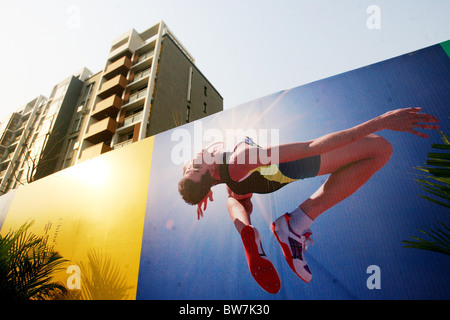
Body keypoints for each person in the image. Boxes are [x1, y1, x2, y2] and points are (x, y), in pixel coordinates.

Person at [178, 107, 439, 294]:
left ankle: (249, 231)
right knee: (380, 148)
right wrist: (382, 120)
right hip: (282, 169)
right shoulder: (237, 160)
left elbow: (197, 177)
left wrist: (205, 187)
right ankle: (292, 225)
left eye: (187, 165)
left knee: (236, 199)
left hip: (243, 179)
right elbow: (309, 147)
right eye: (192, 166)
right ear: (207, 171)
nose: (189, 161)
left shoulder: (211, 166)